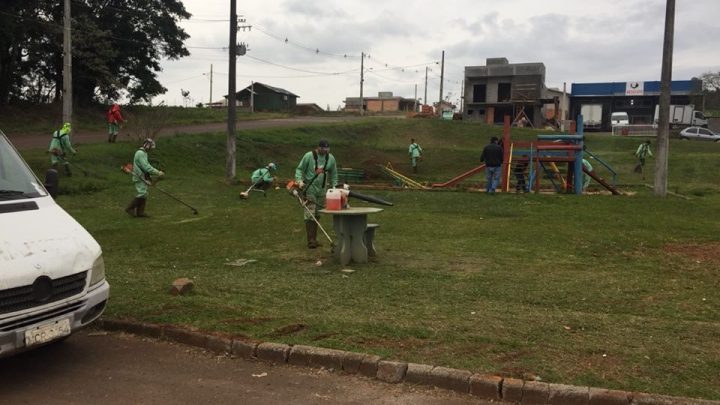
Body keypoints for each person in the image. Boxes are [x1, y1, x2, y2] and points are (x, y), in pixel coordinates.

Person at [294, 139, 338, 248]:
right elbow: (299, 169)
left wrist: (334, 186)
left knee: (318, 213)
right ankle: (311, 240)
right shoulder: (309, 156)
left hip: (322, 190)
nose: (325, 150)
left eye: (327, 148)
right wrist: (299, 181)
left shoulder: (330, 158)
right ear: (318, 147)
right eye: (323, 148)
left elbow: (334, 173)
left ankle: (314, 238)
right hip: (310, 188)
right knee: (310, 213)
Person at [125, 138, 164, 218]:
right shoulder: (140, 153)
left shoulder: (143, 153)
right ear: (147, 146)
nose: (151, 150)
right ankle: (130, 208)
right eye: (151, 147)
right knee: (142, 193)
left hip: (142, 176)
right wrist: (157, 172)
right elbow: (146, 167)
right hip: (139, 176)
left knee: (144, 194)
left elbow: (145, 167)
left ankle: (140, 212)